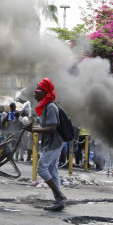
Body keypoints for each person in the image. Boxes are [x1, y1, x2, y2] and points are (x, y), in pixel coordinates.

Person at [24, 78, 66, 211]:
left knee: (42, 169)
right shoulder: (46, 107)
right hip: (51, 143)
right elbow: (46, 125)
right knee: (53, 172)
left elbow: (52, 128)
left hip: (54, 143)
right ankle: (59, 201)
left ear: (44, 92)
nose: (34, 94)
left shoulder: (51, 107)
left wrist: (34, 129)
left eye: (37, 91)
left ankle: (59, 196)